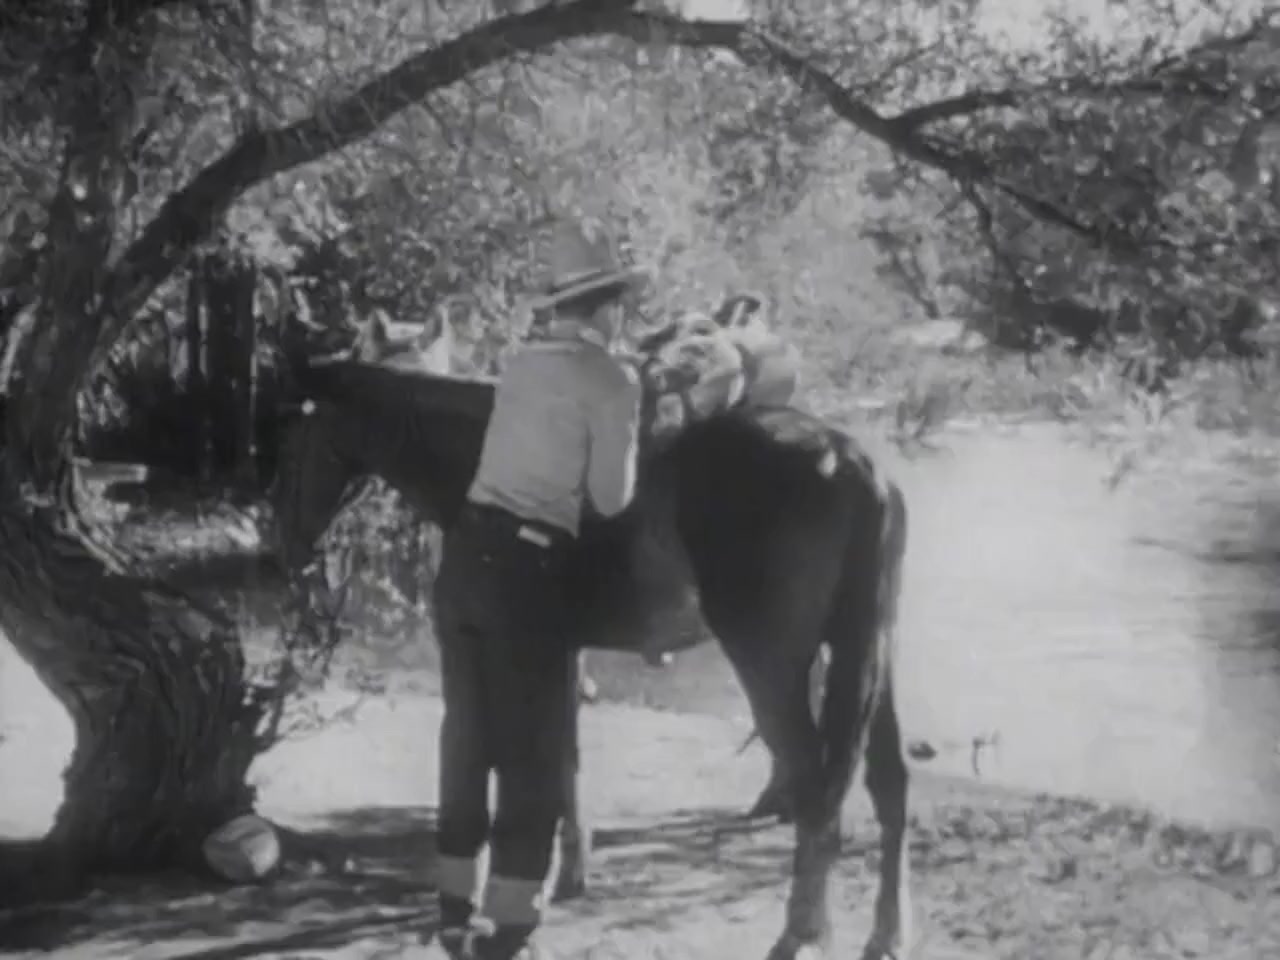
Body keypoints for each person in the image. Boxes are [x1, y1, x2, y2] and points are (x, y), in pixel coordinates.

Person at [429, 218, 645, 960]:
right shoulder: (614, 379)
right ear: (605, 307)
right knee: (534, 754)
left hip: (464, 557)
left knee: (466, 739)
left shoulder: (519, 363)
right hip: (528, 571)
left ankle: (454, 914)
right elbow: (612, 498)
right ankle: (509, 935)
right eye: (620, 301)